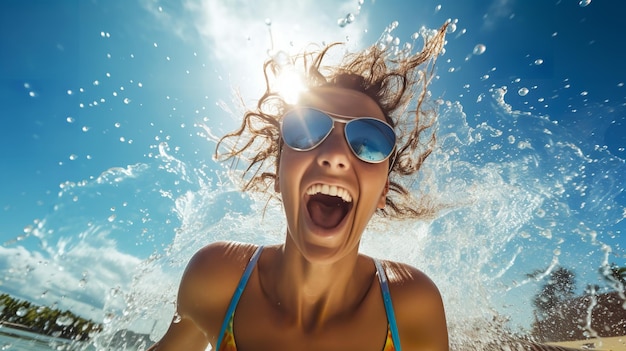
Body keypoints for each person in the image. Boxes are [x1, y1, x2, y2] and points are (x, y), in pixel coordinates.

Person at [148, 22, 450, 351]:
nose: (334, 155)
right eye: (306, 131)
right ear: (278, 174)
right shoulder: (217, 279)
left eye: (368, 143)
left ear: (382, 192)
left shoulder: (412, 309)